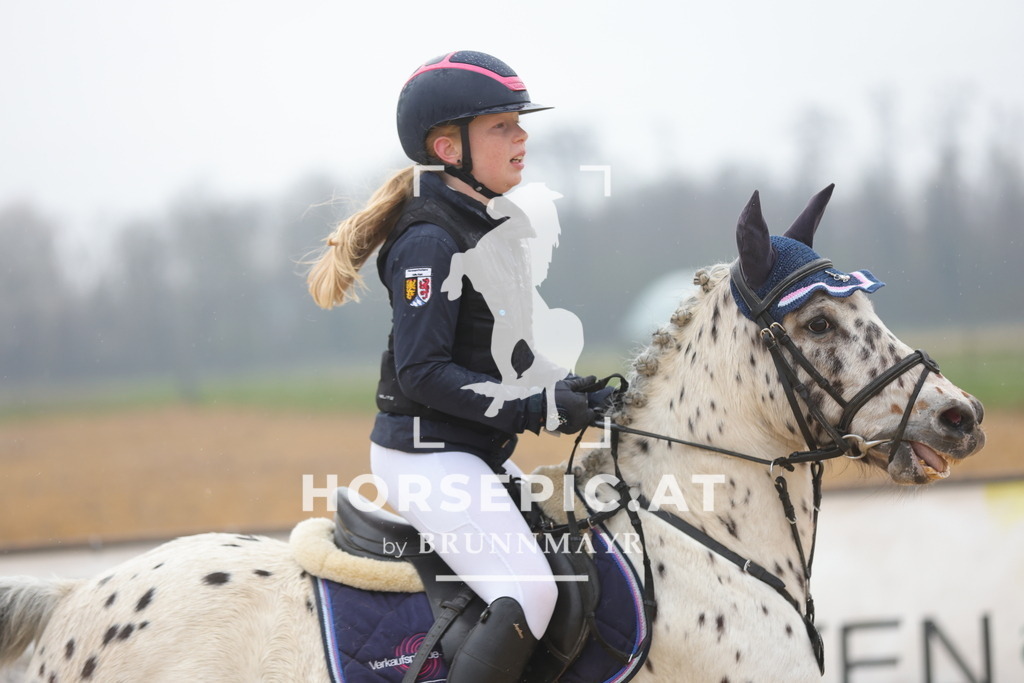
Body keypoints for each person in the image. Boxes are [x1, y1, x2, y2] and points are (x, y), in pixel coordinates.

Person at [307, 50, 606, 683]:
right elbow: (423, 373)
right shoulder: (429, 240)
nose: (522, 136)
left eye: (519, 123)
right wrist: (533, 409)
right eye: (501, 126)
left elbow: (509, 352)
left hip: (467, 452)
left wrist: (574, 390)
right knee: (531, 592)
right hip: (426, 458)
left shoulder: (489, 225)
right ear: (449, 148)